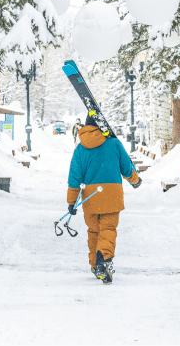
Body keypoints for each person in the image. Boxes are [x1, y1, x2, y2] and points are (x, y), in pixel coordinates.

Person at [67, 113, 142, 284]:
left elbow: (75, 177)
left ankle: (95, 265)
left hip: (90, 197)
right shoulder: (114, 143)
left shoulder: (80, 148)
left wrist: (71, 201)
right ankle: (104, 260)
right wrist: (135, 181)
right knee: (108, 229)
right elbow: (126, 167)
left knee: (93, 231)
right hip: (111, 194)